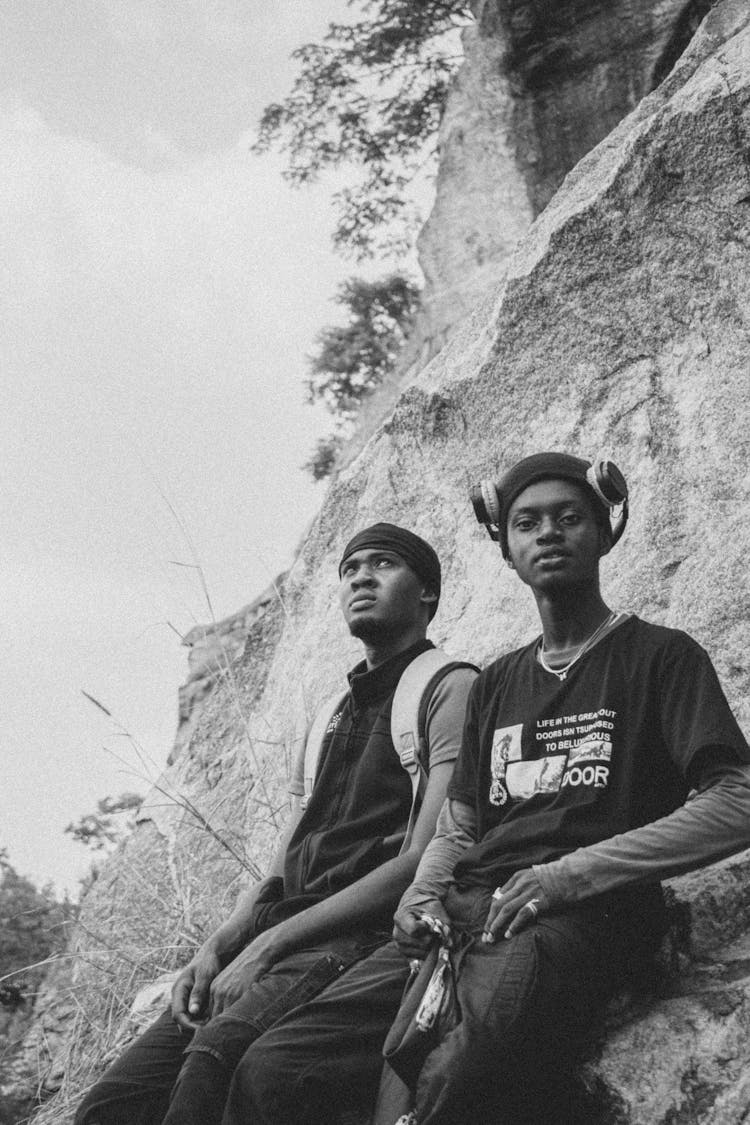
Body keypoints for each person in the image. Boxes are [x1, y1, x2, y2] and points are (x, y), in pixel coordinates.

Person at [227, 452, 750, 1125]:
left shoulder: (660, 656)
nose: (549, 533)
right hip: (463, 911)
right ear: (506, 550)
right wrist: (420, 895)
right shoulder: (499, 681)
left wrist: (571, 874)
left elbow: (737, 798)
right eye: (527, 523)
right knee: (274, 1066)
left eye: (570, 518)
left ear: (606, 531)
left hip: (581, 916)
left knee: (452, 1078)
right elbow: (462, 823)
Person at [74, 523, 477, 1125]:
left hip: (355, 940)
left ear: (427, 595)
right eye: (350, 568)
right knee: (113, 1104)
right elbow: (285, 861)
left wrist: (269, 947)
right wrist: (222, 941)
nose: (361, 577)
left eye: (384, 564)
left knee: (214, 1061)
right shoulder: (330, 714)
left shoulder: (451, 689)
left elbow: (422, 859)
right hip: (281, 929)